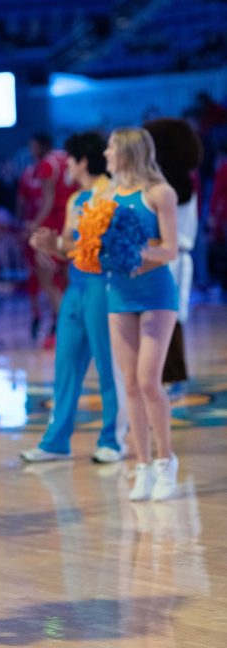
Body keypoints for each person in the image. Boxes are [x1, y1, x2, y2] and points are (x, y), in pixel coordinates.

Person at [20, 132, 127, 464]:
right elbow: (69, 246)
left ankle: (113, 439)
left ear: (83, 160)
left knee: (110, 367)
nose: (65, 164)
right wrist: (50, 244)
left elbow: (118, 247)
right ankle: (56, 441)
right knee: (65, 366)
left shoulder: (116, 194)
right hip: (76, 288)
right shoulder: (76, 200)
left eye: (70, 158)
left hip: (105, 288)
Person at [104, 128, 179, 501]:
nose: (106, 153)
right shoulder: (108, 196)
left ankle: (167, 461)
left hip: (157, 295)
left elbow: (170, 250)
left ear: (128, 152)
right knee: (130, 385)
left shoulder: (160, 193)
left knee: (150, 381)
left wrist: (135, 253)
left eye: (112, 148)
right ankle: (143, 465)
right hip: (119, 294)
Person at [145, 119, 203, 390]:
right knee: (172, 320)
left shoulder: (166, 187)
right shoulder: (185, 181)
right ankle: (171, 376)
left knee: (163, 321)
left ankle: (167, 377)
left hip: (165, 256)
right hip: (177, 257)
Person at [17, 134, 71, 347]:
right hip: (67, 222)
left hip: (50, 225)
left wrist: (33, 224)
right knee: (64, 279)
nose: (31, 151)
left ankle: (64, 325)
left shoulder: (47, 164)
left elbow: (47, 200)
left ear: (42, 146)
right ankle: (64, 324)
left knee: (46, 279)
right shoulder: (65, 158)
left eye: (33, 146)